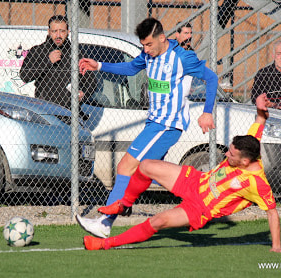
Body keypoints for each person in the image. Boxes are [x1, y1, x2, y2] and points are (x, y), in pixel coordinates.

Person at [81, 93, 281, 253]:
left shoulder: (257, 183)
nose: (226, 153)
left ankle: (103, 243)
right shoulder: (249, 146)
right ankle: (124, 205)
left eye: (231, 154)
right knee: (145, 166)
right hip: (195, 181)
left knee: (158, 222)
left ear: (245, 161)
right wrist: (260, 109)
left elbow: (272, 212)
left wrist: (276, 246)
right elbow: (260, 122)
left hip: (199, 208)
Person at [76, 17, 218, 238]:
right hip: (155, 123)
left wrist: (207, 112)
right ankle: (197, 200)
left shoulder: (182, 57)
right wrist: (100, 66)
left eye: (149, 44)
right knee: (146, 171)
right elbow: (132, 68)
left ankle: (105, 222)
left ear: (162, 38)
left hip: (166, 125)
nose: (145, 49)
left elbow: (212, 77)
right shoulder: (148, 54)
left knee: (125, 166)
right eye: (143, 45)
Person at [20, 15, 95, 110]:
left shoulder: (76, 53)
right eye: (54, 31)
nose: (58, 35)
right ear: (49, 32)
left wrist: (83, 92)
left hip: (69, 111)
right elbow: (24, 75)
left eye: (62, 31)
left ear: (68, 32)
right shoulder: (38, 51)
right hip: (44, 109)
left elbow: (91, 81)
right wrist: (47, 61)